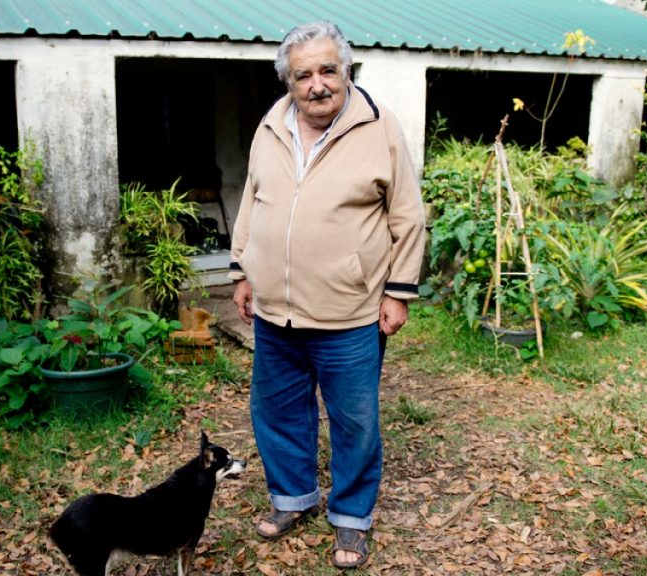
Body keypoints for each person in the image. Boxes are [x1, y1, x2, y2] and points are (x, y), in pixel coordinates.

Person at [228, 21, 426, 569]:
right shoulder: (270, 125)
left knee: (354, 421)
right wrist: (243, 270)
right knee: (277, 409)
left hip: (349, 311)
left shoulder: (378, 126)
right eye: (303, 74)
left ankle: (351, 519)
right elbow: (252, 200)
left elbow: (407, 215)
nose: (317, 84)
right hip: (275, 311)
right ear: (289, 82)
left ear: (346, 70)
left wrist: (399, 289)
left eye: (327, 70)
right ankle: (293, 498)